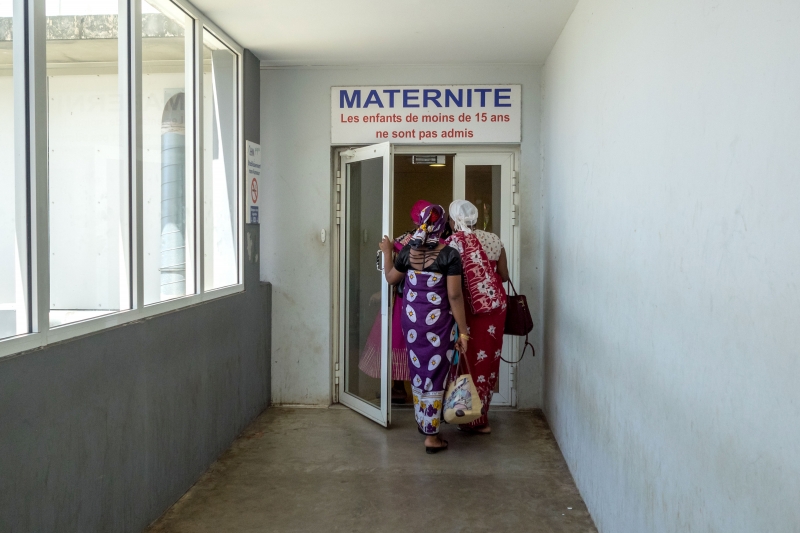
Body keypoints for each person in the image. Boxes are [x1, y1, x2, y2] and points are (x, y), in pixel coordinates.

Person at [379, 204, 469, 454]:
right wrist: (463, 331)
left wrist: (388, 252)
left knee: (420, 373)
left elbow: (390, 279)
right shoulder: (449, 254)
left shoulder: (408, 251)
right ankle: (432, 435)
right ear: (442, 226)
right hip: (438, 327)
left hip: (412, 325)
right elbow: (454, 295)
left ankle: (425, 424)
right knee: (437, 374)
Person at [359, 200, 435, 403]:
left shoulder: (405, 241)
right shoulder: (444, 243)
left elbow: (392, 275)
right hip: (434, 304)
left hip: (406, 301)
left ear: (413, 218)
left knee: (397, 341)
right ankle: (428, 391)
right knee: (427, 344)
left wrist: (386, 252)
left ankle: (399, 388)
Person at [446, 200, 510, 435]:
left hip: (466, 309)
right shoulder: (494, 240)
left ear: (454, 221)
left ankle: (464, 414)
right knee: (487, 361)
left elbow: (449, 284)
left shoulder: (453, 243)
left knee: (465, 359)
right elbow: (503, 275)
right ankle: (481, 418)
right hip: (494, 309)